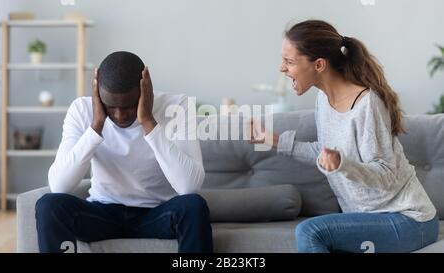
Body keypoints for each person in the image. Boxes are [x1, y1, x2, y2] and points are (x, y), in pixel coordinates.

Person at [251, 20, 438, 253]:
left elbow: (385, 174)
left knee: (310, 232)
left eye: (289, 62)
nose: (282, 68)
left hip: (409, 219)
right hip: (369, 218)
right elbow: (326, 154)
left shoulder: (367, 104)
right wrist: (275, 141)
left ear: (318, 65)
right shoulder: (324, 100)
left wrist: (342, 164)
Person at [35, 51, 213, 253]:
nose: (120, 115)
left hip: (157, 213)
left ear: (146, 88)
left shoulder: (177, 107)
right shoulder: (81, 110)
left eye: (129, 105)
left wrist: (148, 122)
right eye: (111, 107)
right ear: (98, 92)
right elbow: (59, 185)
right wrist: (96, 126)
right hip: (102, 212)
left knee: (193, 206)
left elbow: (189, 186)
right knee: (49, 205)